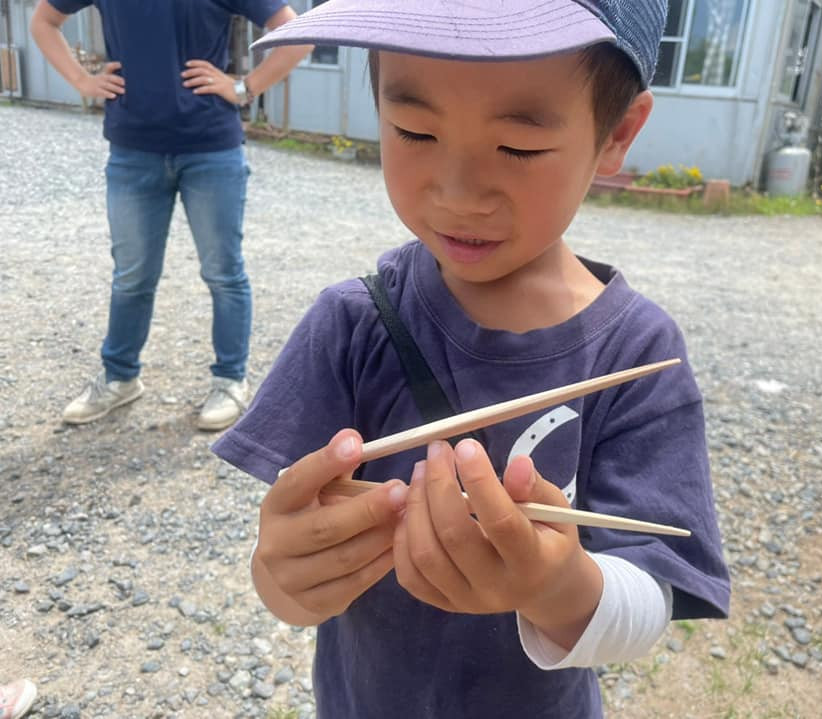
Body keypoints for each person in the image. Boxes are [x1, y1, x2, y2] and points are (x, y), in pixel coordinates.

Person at [212, 2, 731, 718]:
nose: (457, 193)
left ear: (617, 133)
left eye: (518, 146)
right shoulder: (353, 324)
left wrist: (555, 585)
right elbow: (290, 575)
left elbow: (650, 596)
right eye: (415, 131)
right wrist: (285, 576)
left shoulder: (637, 353)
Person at [31, 0, 311, 430]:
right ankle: (120, 377)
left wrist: (244, 87)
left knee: (223, 273)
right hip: (133, 149)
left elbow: (297, 33)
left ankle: (230, 381)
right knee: (132, 276)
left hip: (211, 149)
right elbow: (44, 21)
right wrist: (82, 81)